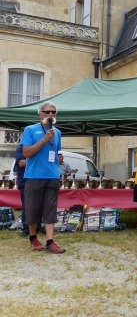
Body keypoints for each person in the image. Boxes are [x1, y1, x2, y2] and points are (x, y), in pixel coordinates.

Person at [21, 101, 65, 253]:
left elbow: (56, 151)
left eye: (53, 112)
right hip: (34, 176)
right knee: (33, 209)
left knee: (50, 209)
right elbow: (26, 153)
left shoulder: (58, 132)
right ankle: (33, 237)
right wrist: (44, 139)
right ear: (40, 114)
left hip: (52, 176)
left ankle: (50, 241)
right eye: (47, 112)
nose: (51, 115)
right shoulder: (30, 130)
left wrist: (59, 158)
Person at [14, 132, 29, 236]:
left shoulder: (33, 148)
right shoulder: (20, 149)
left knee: (38, 205)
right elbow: (21, 163)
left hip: (36, 180)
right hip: (24, 181)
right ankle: (25, 228)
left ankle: (37, 226)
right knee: (26, 206)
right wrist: (37, 162)